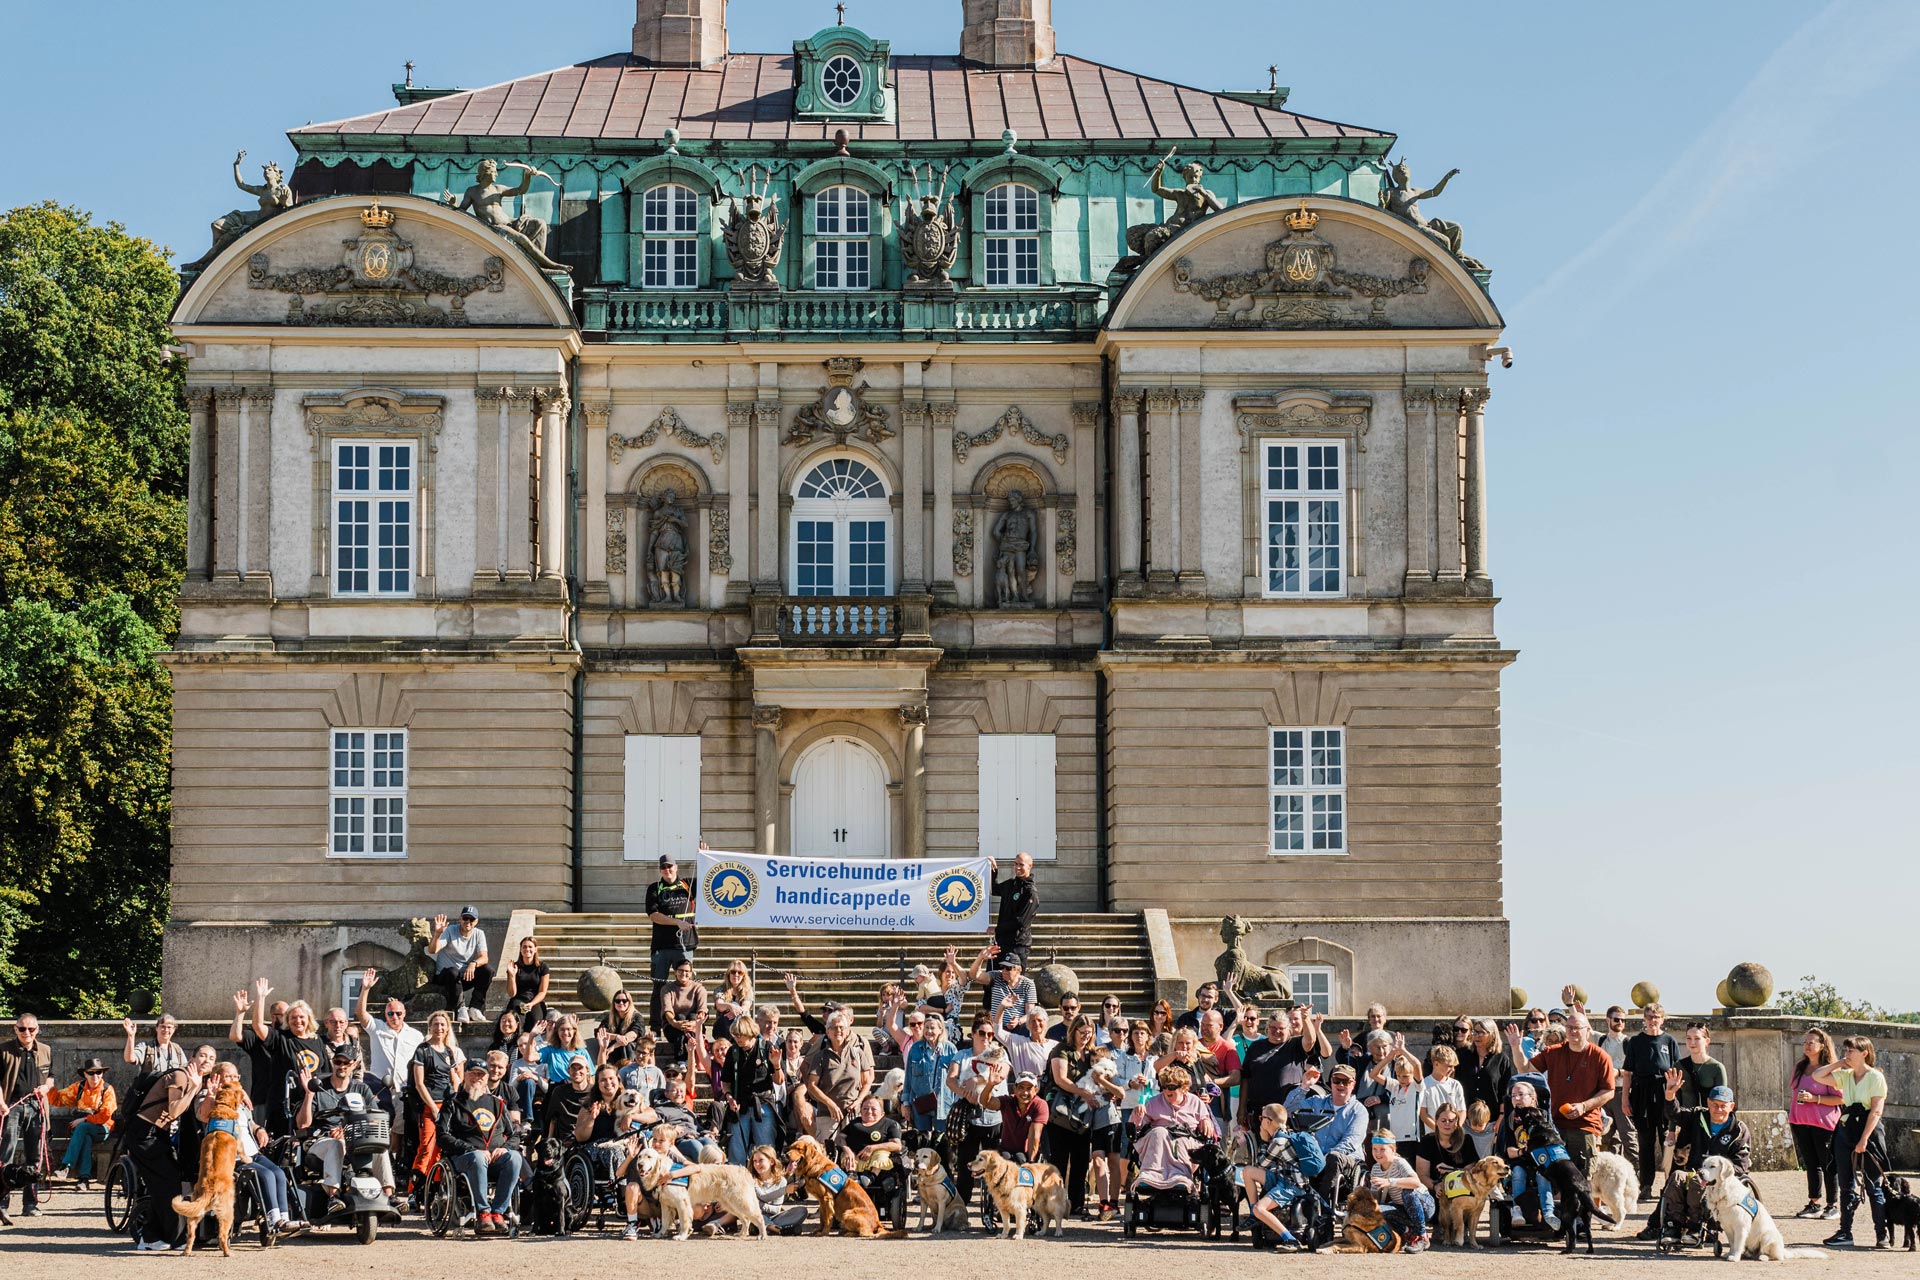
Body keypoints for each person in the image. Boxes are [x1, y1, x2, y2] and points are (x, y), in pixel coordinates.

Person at [120, 1046, 207, 1250]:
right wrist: (194, 1088)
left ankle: (152, 1236)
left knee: (166, 1181)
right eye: (202, 1055)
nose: (206, 1060)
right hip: (143, 1133)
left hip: (156, 1134)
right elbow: (175, 1110)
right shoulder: (179, 1076)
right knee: (167, 1181)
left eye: (211, 1057)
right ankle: (166, 1237)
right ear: (192, 1058)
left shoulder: (189, 1078)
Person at [1507, 1010, 1614, 1173]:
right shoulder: (1553, 1052)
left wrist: (1584, 1106)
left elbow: (1608, 1091)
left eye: (1577, 1028)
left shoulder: (1600, 1056)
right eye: (1569, 1027)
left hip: (1585, 1125)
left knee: (1583, 1178)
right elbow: (1525, 1069)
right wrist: (1516, 1047)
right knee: (1557, 1178)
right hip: (1555, 1125)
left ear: (1587, 1030)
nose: (1572, 1031)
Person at [296, 1043, 394, 1214]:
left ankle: (389, 1195)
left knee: (381, 1148)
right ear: (333, 1062)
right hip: (321, 1141)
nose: (341, 1066)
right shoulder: (319, 1087)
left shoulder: (361, 1088)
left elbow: (374, 1119)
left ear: (354, 1064)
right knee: (335, 1144)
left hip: (354, 1139)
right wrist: (309, 1094)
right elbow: (303, 1124)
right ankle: (333, 1197)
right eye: (337, 1062)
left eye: (346, 1063)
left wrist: (347, 1129)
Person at [1647, 1081, 1751, 1242]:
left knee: (1698, 1181)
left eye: (1723, 1106)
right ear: (1708, 1103)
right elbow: (1674, 1114)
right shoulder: (1698, 1116)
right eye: (1715, 1105)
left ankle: (1695, 1228)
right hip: (1694, 1170)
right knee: (1677, 1176)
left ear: (1731, 1106)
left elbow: (1741, 1164)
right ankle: (1673, 1227)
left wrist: (1718, 1174)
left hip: (1721, 1178)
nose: (1718, 1109)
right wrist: (1670, 1095)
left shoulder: (1738, 1130)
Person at [1813, 1035, 1890, 1248]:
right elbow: (1818, 1075)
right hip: (1846, 1129)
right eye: (1845, 1050)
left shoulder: (1875, 1077)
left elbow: (1876, 1111)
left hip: (1869, 1130)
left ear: (1864, 1053)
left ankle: (1881, 1235)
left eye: (1850, 1051)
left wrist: (1864, 1139)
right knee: (1846, 1184)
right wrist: (1838, 1063)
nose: (1846, 1054)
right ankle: (1845, 1232)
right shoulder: (1845, 1075)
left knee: (1873, 1185)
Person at [232, 978, 325, 1137]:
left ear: (309, 1018)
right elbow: (258, 1027)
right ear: (288, 1020)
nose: (298, 1021)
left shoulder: (318, 1041)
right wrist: (261, 998)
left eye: (301, 1017)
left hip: (312, 1103)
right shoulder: (281, 1038)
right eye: (293, 1017)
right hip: (284, 1104)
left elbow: (325, 1072)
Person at [441, 1059, 520, 1234]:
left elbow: (515, 1134)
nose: (477, 1077)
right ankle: (483, 1212)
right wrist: (471, 1149)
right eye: (473, 1073)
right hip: (465, 1159)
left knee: (515, 1157)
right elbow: (442, 1136)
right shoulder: (453, 1102)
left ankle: (498, 1212)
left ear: (486, 1078)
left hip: (495, 1158)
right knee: (477, 1158)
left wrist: (506, 1147)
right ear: (465, 1076)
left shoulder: (498, 1104)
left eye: (481, 1074)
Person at [1046, 1014, 1108, 1219]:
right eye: (1082, 1033)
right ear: (1073, 1032)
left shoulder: (1091, 1053)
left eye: (1089, 1034)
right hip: (1062, 1112)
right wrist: (1084, 1093)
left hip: (1083, 1115)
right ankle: (1055, 1203)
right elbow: (1060, 1079)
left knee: (1081, 1161)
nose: (1085, 1037)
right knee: (1059, 1161)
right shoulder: (1061, 1050)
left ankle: (1077, 1204)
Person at [944, 1017, 1008, 1203]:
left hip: (994, 1116)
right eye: (982, 1033)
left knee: (994, 1167)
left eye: (990, 1034)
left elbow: (1001, 1074)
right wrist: (964, 1093)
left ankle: (994, 1206)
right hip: (969, 1118)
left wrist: (977, 1080)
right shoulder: (962, 1056)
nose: (986, 1037)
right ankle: (961, 1207)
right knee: (966, 1166)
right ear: (972, 1034)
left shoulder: (999, 1054)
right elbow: (951, 1079)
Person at [354, 974, 423, 1146]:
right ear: (385, 1014)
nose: (394, 1016)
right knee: (379, 1127)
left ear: (404, 1013)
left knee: (399, 1129)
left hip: (403, 1089)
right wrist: (366, 989)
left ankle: (395, 1164)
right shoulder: (377, 1027)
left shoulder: (416, 1035)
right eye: (390, 1013)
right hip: (380, 1088)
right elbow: (360, 1013)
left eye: (398, 1013)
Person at [1621, 1003, 1681, 1196]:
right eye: (1649, 1017)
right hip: (1641, 1093)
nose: (1652, 1020)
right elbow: (1628, 1073)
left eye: (1656, 1017)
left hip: (1665, 1092)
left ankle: (1670, 1183)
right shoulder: (1636, 1042)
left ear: (1662, 1019)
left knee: (1667, 1140)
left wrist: (1675, 1099)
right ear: (1644, 1019)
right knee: (1645, 1141)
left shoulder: (1669, 1041)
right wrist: (1624, 1100)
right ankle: (1645, 1184)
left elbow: (1676, 1072)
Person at [0, 1014, 53, 1217]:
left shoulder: (46, 1051)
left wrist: (46, 1088)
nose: (27, 1033)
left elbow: (51, 1077)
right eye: (22, 1029)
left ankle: (30, 1203)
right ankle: (2, 1203)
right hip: (11, 1106)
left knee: (35, 1157)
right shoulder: (4, 1050)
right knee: (6, 1155)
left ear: (37, 1030)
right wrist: (2, 1104)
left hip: (37, 1107)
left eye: (31, 1029)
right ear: (15, 1029)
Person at [1787, 1027, 1841, 1219]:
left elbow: (1840, 1099)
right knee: (1811, 1164)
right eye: (1805, 1042)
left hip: (1824, 1124)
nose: (1807, 1046)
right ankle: (1814, 1202)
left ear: (1822, 1046)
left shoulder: (1832, 1070)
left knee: (1828, 1164)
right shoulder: (1800, 1067)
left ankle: (1832, 1204)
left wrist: (1815, 1099)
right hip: (1801, 1122)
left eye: (1811, 1042)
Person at [716, 1017, 783, 1165]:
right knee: (736, 1151)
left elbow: (779, 1080)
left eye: (740, 1035)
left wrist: (776, 1065)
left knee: (766, 1151)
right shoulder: (733, 1051)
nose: (737, 1038)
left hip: (763, 1104)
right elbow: (725, 1082)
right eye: (735, 1035)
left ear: (750, 1033)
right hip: (740, 1106)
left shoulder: (766, 1047)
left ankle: (769, 1184)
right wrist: (729, 1097)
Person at [1245, 1103, 1311, 1250]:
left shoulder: (1278, 1142)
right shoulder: (1283, 1135)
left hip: (1291, 1185)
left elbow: (1261, 1164)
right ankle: (1253, 1216)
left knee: (1259, 1208)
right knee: (1248, 1171)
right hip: (1282, 1178)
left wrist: (1263, 1140)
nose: (1259, 1121)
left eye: (1261, 1118)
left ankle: (1291, 1240)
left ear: (1268, 1122)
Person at [803, 1009, 873, 1142]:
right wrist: (830, 1104)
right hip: (827, 1115)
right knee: (829, 1156)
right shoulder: (820, 1056)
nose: (838, 1030)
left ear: (847, 1030)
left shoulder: (858, 1054)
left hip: (853, 1114)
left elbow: (867, 1082)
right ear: (827, 1032)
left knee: (852, 1155)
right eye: (834, 1027)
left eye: (841, 1027)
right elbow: (812, 1085)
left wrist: (859, 1101)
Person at [48, 1056, 116, 1187]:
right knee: (85, 1137)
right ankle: (84, 1179)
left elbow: (105, 1115)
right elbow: (57, 1099)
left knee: (82, 1128)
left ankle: (65, 1166)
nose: (95, 1076)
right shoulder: (78, 1088)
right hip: (83, 1130)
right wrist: (49, 1086)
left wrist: (84, 1119)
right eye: (91, 1073)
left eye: (98, 1072)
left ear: (103, 1073)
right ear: (85, 1074)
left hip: (102, 1129)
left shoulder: (107, 1090)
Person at [1368, 1129, 1433, 1252]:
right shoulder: (1375, 1168)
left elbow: (1415, 1182)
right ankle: (1408, 1233)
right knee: (1377, 1210)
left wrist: (1390, 1182)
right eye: (1374, 1149)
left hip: (1424, 1205)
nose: (1378, 1153)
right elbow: (1375, 1199)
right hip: (1403, 1209)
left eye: (1382, 1149)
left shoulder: (1400, 1163)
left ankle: (1422, 1236)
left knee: (1407, 1192)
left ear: (1393, 1150)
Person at [645, 854, 697, 997]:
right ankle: (656, 1020)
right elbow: (653, 915)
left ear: (676, 867)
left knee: (685, 986)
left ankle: (685, 1018)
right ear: (660, 870)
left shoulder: (688, 884)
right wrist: (677, 922)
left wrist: (704, 856)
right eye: (663, 867)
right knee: (659, 986)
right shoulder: (654, 888)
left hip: (685, 944)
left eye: (670, 866)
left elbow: (709, 880)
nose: (667, 870)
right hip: (661, 946)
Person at [429, 907, 493, 1022]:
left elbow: (484, 957)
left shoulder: (479, 934)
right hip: (446, 977)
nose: (468, 922)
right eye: (465, 918)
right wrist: (437, 934)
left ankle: (475, 1008)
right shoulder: (450, 930)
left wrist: (473, 964)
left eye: (471, 919)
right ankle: (460, 1008)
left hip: (464, 976)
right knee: (453, 971)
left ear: (476, 921)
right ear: (460, 919)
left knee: (487, 970)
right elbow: (433, 950)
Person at [904, 1010, 962, 1138]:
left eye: (932, 1028)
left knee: (941, 1140)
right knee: (922, 1139)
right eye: (926, 1027)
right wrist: (906, 1103)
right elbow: (908, 1078)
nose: (929, 1031)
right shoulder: (915, 1048)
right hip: (920, 1101)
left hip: (944, 1103)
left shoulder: (950, 1049)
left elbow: (958, 1077)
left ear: (941, 1029)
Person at [1593, 1005, 1639, 1165]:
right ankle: (1609, 1171)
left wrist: (1617, 1072)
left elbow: (1634, 1070)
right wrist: (1572, 1006)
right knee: (1607, 1136)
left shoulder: (1628, 1042)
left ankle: (1636, 1173)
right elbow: (1583, 1027)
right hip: (1603, 1092)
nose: (1620, 1022)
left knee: (1628, 1135)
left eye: (1623, 1020)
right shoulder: (1601, 1040)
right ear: (1608, 1020)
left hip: (1621, 1091)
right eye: (1617, 1019)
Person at [654, 958, 708, 1067]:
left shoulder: (699, 988)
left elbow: (702, 1010)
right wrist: (675, 1023)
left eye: (687, 971)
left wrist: (694, 1023)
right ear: (675, 972)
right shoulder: (667, 989)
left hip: (694, 1025)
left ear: (691, 973)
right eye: (681, 970)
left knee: (692, 1016)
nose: (684, 973)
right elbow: (667, 1010)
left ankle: (683, 1060)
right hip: (673, 1026)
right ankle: (684, 1059)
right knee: (680, 1016)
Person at [987, 851, 1037, 966]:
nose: (1017, 867)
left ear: (1030, 866)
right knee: (992, 980)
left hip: (1017, 947)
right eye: (1016, 864)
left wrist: (997, 929)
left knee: (1014, 982)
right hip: (1001, 943)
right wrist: (993, 868)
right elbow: (993, 889)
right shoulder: (1011, 884)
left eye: (1021, 864)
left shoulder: (1030, 892)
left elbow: (1020, 922)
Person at [1418, 1043, 1468, 1139]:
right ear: (1436, 1064)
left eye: (1454, 1066)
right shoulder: (1424, 1084)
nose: (1452, 1070)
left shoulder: (1455, 1085)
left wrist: (1455, 1128)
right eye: (1449, 1066)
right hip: (1433, 1135)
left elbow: (1462, 1111)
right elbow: (1423, 1114)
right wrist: (1439, 1130)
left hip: (1454, 1136)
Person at [1675, 1021, 1728, 1109]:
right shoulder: (1679, 1066)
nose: (1692, 1042)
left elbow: (1722, 1101)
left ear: (1707, 1041)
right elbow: (1675, 1101)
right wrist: (1673, 1122)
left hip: (1709, 1119)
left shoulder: (1717, 1068)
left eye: (1697, 1038)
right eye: (1689, 1038)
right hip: (1686, 1120)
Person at [999, 1072, 1050, 1162]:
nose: (1025, 1092)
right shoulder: (1008, 1100)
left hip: (1027, 1153)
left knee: (1020, 1158)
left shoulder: (1040, 1104)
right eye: (1021, 1088)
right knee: (1004, 1158)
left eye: (1029, 1089)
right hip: (1006, 1150)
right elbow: (986, 1102)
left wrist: (1030, 1164)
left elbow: (1034, 1136)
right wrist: (990, 1085)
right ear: (1015, 1088)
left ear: (1036, 1090)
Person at [981, 952, 1038, 1032]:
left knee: (1026, 1029)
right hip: (996, 1026)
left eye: (1008, 968)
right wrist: (981, 958)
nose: (1004, 971)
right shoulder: (996, 976)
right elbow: (975, 976)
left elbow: (1030, 1013)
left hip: (1017, 1027)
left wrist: (1018, 1021)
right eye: (1002, 967)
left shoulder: (1028, 984)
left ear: (1018, 970)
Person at [503, 936, 551, 1026]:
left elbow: (542, 992)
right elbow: (511, 994)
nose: (527, 949)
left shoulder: (543, 967)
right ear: (521, 950)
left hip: (535, 1000)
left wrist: (531, 1004)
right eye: (524, 947)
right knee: (516, 1021)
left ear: (535, 949)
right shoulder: (514, 967)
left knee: (535, 1022)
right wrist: (512, 975)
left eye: (530, 947)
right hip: (518, 999)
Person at [122, 1015, 188, 1074]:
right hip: (151, 1087)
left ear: (174, 1029)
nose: (166, 1030)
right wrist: (131, 1036)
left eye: (169, 1027)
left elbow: (185, 1071)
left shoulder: (177, 1050)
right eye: (162, 1026)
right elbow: (129, 1058)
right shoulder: (146, 1047)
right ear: (156, 1028)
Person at [595, 990, 644, 1068]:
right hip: (613, 1053)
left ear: (629, 1002)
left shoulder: (637, 1017)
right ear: (614, 1003)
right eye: (617, 1001)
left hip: (631, 1051)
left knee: (626, 1045)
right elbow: (600, 1033)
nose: (621, 1003)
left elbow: (632, 1035)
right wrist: (616, 1037)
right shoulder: (609, 1017)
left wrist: (613, 1047)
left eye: (624, 1001)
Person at [1337, 1004, 1391, 1073]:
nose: (1376, 1019)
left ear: (1385, 1019)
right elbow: (1344, 1061)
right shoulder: (1362, 1037)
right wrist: (1344, 1048)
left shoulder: (1393, 1037)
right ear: (1369, 1020)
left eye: (1378, 1016)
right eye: (1373, 1016)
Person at [538, 1014, 593, 1082]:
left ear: (574, 1031)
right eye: (562, 1030)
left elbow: (590, 1075)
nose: (565, 1033)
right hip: (557, 1088)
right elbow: (529, 1058)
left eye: (569, 1029)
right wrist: (531, 1037)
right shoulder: (550, 1050)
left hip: (578, 1087)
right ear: (557, 1032)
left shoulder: (582, 1052)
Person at [712, 960, 754, 1045]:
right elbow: (719, 1005)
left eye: (740, 972)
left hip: (742, 1026)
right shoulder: (720, 989)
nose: (736, 975)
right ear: (728, 974)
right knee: (734, 1005)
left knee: (736, 1007)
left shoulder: (748, 990)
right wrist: (730, 1006)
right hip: (723, 1028)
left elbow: (746, 1006)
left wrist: (735, 1012)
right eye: (733, 972)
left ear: (744, 975)